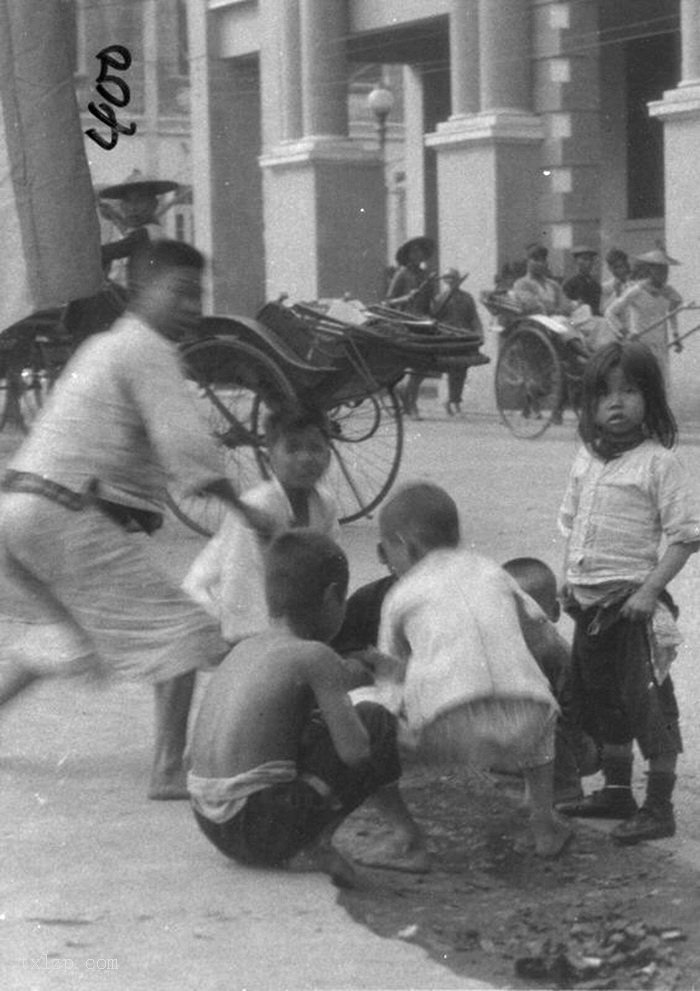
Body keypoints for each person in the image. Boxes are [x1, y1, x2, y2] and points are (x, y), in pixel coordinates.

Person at [0, 240, 270, 801]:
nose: (192, 305)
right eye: (179, 292)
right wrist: (246, 511)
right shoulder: (147, 350)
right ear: (138, 290)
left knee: (72, 635)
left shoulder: (104, 344)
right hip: (62, 510)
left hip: (18, 510)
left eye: (199, 293)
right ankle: (169, 769)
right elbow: (183, 444)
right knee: (186, 632)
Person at [187, 530, 428, 886]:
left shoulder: (246, 649)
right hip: (258, 828)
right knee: (375, 721)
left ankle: (374, 834)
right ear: (333, 597)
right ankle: (344, 840)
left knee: (313, 724)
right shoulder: (315, 656)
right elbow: (355, 751)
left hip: (210, 822)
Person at [358, 482, 573, 858]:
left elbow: (390, 684)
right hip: (529, 722)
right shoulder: (492, 572)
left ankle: (404, 834)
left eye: (386, 550)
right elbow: (542, 632)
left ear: (403, 545)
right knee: (537, 699)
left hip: (449, 730)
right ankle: (543, 821)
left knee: (361, 714)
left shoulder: (400, 594)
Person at [557, 341, 700, 843]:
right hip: (589, 607)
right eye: (605, 394)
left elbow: (685, 536)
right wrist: (566, 577)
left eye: (631, 391)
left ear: (652, 399)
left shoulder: (659, 463)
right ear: (590, 405)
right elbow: (573, 523)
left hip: (633, 609)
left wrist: (649, 590)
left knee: (648, 705)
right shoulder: (586, 461)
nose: (617, 403)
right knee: (603, 701)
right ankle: (617, 790)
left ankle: (659, 806)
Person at [183, 403, 339, 643]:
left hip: (277, 609)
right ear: (269, 459)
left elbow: (327, 567)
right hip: (215, 607)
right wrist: (257, 644)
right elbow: (240, 584)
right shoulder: (257, 507)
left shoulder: (325, 504)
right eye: (293, 449)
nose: (306, 458)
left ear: (329, 455)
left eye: (316, 448)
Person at [502, 557, 600, 804]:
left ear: (553, 612)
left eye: (527, 613)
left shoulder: (552, 652)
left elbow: (576, 714)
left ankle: (562, 789)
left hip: (575, 745)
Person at [605, 248, 684, 383]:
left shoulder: (668, 292)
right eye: (659, 270)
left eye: (666, 270)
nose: (663, 274)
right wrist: (624, 333)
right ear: (650, 271)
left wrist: (676, 336)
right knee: (643, 380)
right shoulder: (637, 290)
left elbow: (672, 313)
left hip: (660, 342)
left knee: (662, 380)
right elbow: (610, 312)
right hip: (640, 341)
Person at [98, 169, 179, 285]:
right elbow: (127, 230)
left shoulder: (148, 233)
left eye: (139, 201)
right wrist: (114, 216)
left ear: (153, 205)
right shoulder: (146, 231)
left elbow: (109, 252)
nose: (132, 208)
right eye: (128, 202)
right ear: (122, 206)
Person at [385, 236, 436, 420]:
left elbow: (431, 303)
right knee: (413, 364)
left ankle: (407, 394)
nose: (417, 255)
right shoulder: (402, 274)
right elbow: (388, 301)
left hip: (423, 322)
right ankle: (411, 403)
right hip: (405, 323)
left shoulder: (426, 276)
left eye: (420, 251)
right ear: (408, 255)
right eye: (413, 252)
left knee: (423, 365)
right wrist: (405, 298)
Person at [431, 268, 483, 416]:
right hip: (448, 339)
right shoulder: (440, 298)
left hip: (464, 339)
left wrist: (479, 334)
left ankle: (454, 401)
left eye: (454, 279)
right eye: (449, 279)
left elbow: (474, 317)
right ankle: (454, 403)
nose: (452, 282)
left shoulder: (467, 298)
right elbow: (435, 319)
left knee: (462, 371)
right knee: (452, 370)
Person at [511, 244, 575, 318]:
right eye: (536, 260)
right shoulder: (521, 283)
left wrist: (562, 310)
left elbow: (565, 304)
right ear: (527, 262)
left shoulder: (553, 285)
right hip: (537, 321)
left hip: (558, 318)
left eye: (543, 260)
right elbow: (533, 305)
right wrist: (556, 311)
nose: (540, 263)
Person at [563, 246, 602, 316]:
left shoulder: (595, 284)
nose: (589, 263)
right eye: (585, 259)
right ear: (575, 261)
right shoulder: (570, 284)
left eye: (591, 260)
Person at [600, 248, 632, 313]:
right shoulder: (608, 286)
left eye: (622, 266)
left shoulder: (636, 282)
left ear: (627, 265)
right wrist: (616, 293)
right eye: (616, 267)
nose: (621, 270)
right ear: (610, 269)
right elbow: (603, 311)